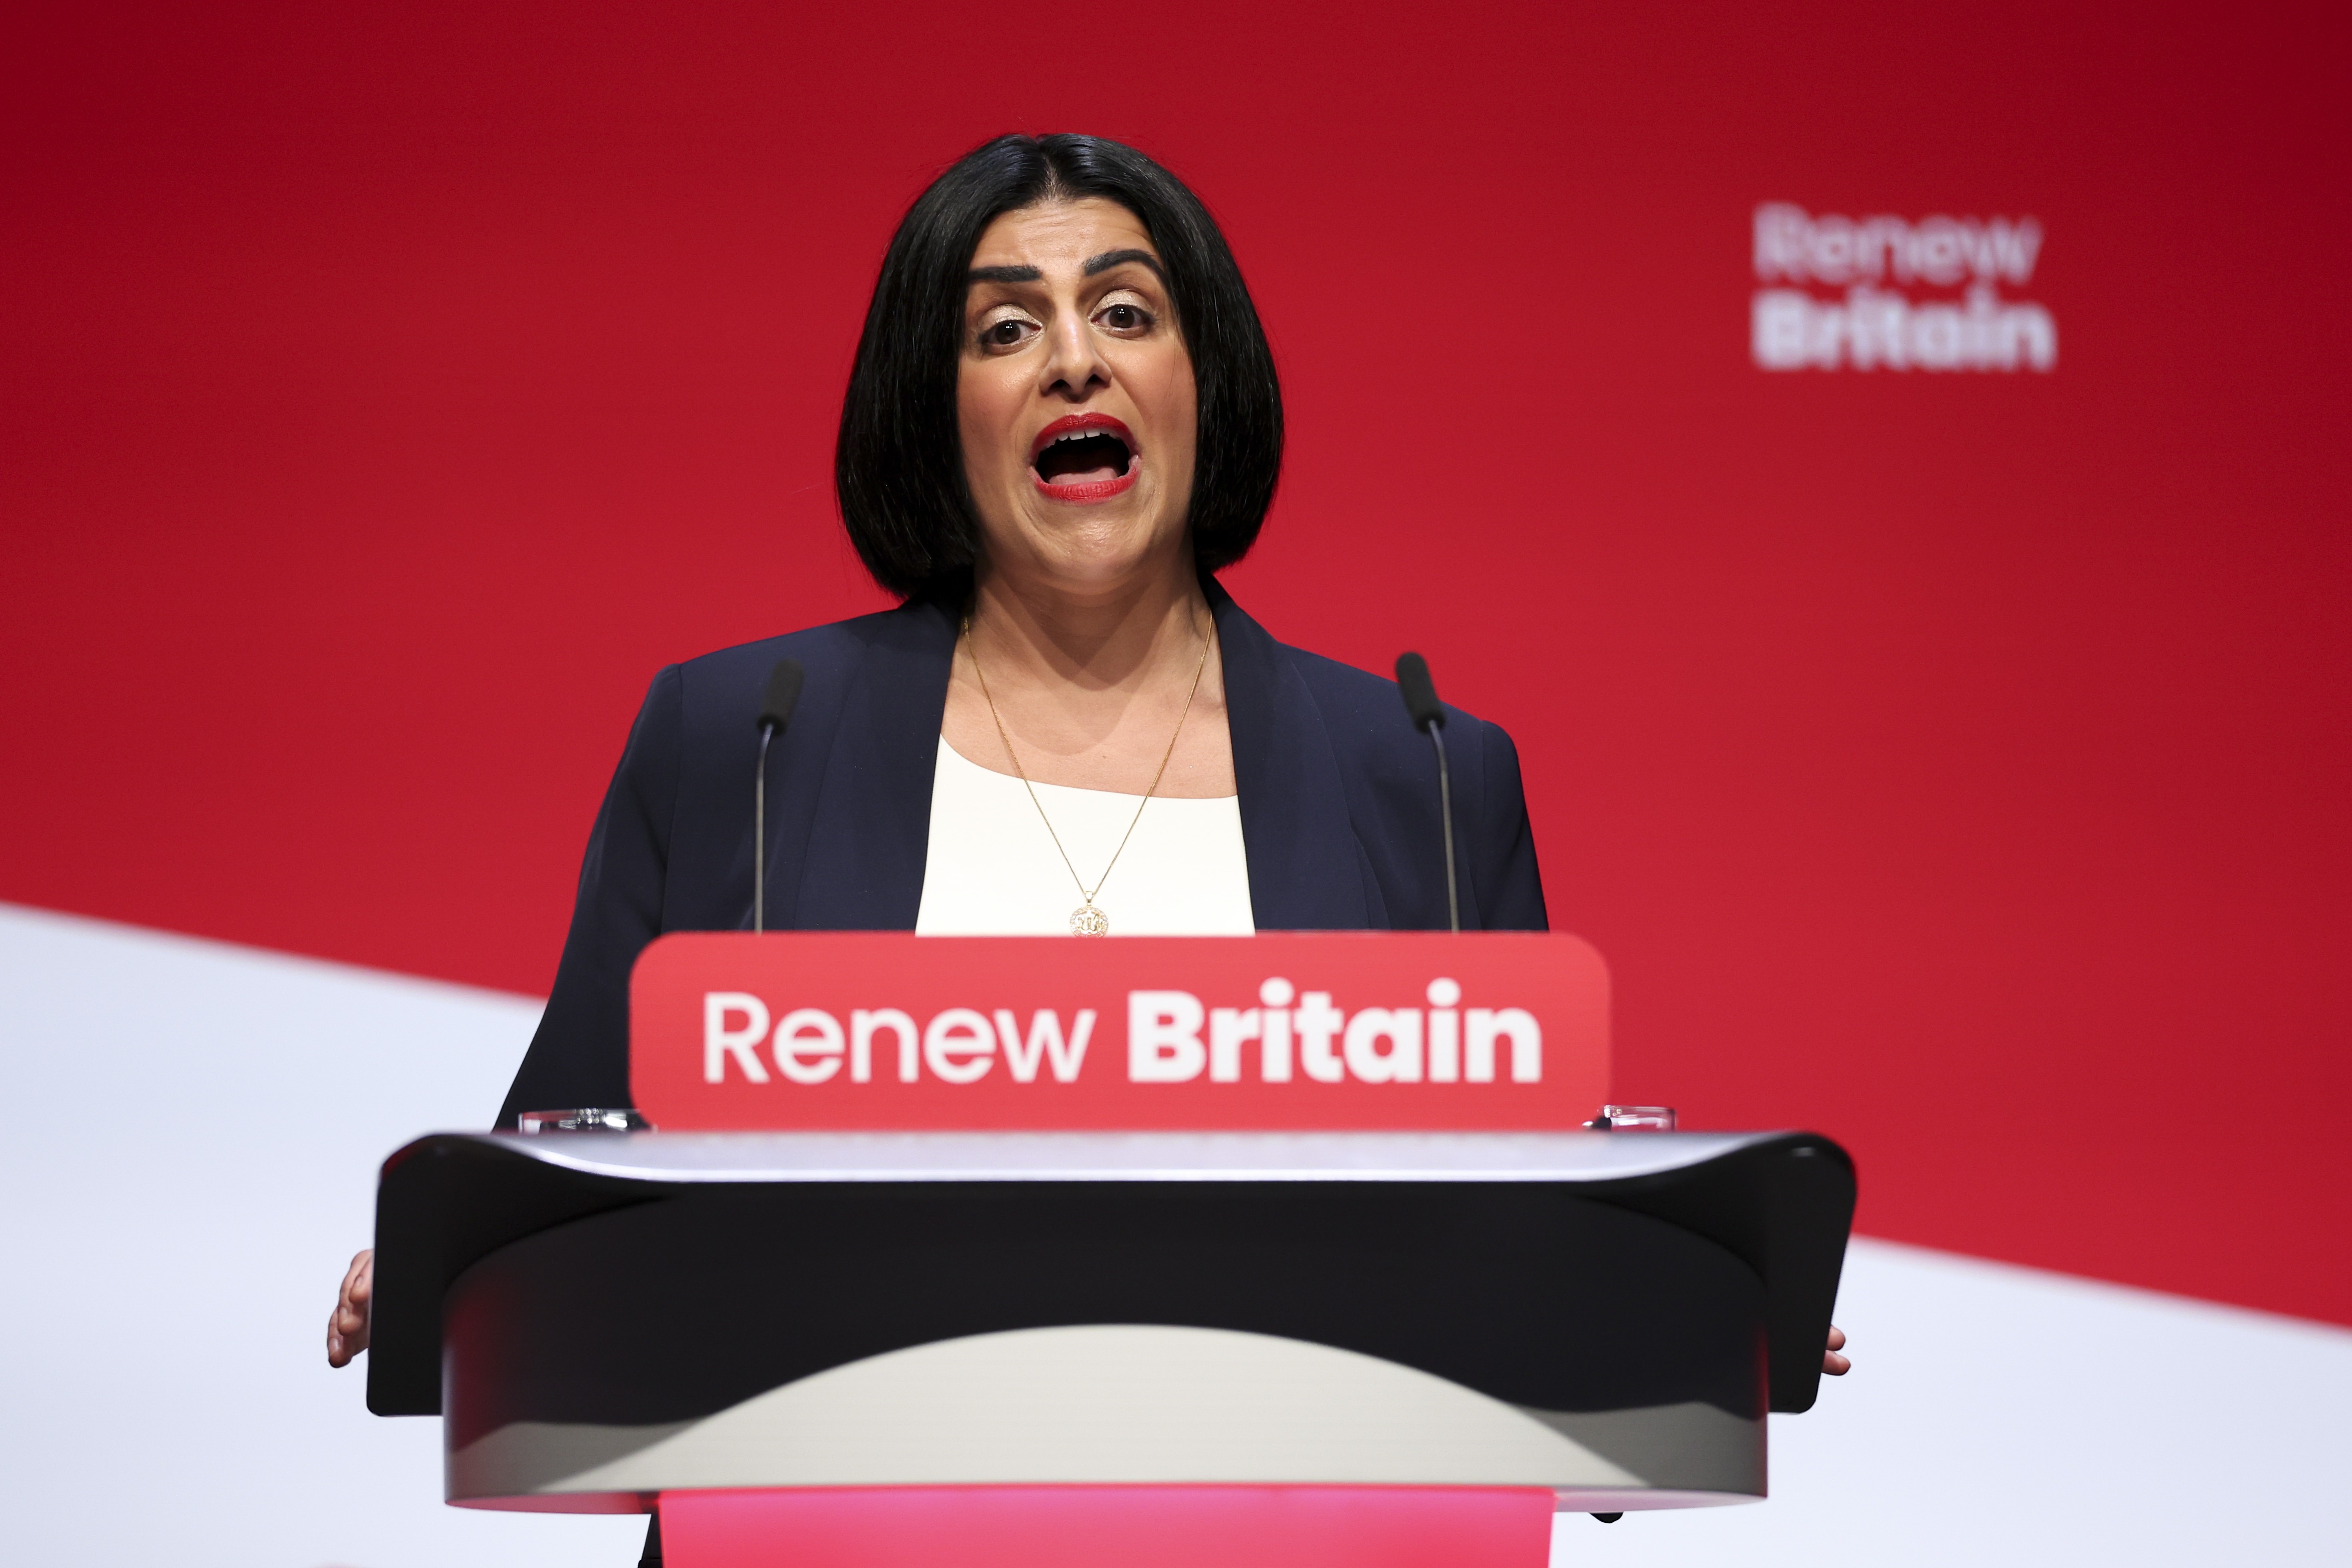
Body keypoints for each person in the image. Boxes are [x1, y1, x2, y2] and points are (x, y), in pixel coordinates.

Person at [324, 127, 1844, 1490]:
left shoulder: (1423, 770)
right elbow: (570, 1160)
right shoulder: (744, 741)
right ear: (939, 412)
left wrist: (1685, 1299)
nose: (1074, 362)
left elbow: (1522, 1249)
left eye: (1126, 312)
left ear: (1207, 381)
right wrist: (465, 1273)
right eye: (1005, 328)